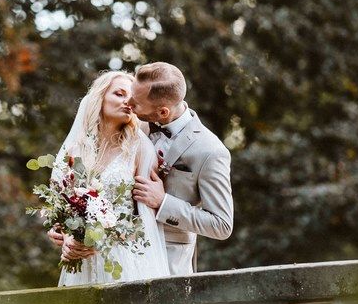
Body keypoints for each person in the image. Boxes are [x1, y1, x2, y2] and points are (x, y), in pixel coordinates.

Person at [46, 71, 169, 285]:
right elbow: (61, 208)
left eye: (131, 98)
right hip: (82, 261)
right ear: (100, 98)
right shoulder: (75, 151)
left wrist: (104, 238)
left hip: (123, 260)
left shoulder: (139, 150)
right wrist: (67, 237)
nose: (127, 102)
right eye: (119, 94)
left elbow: (146, 220)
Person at [127, 61, 234, 275]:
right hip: (120, 252)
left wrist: (163, 203)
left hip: (168, 262)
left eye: (136, 103)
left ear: (163, 112)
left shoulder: (211, 151)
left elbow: (222, 225)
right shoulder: (131, 124)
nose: (128, 103)